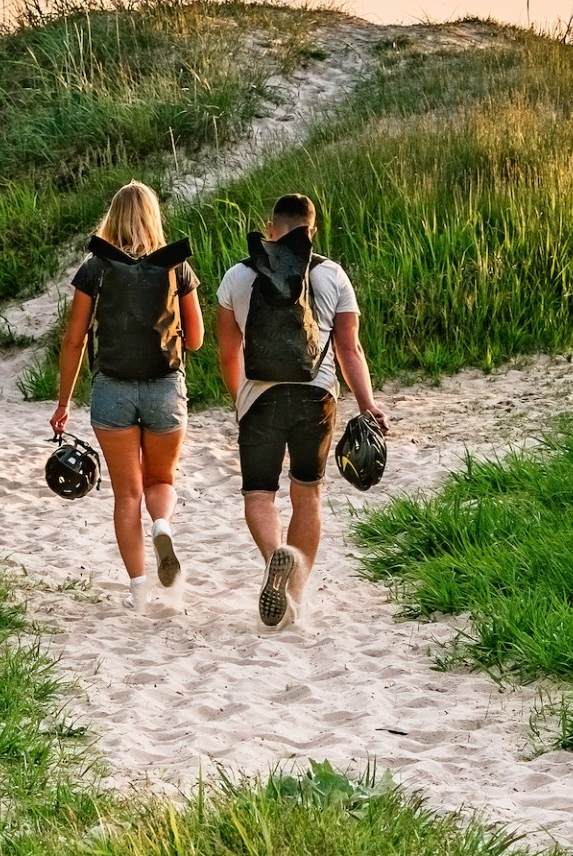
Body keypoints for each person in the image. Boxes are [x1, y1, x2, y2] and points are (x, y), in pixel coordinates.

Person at [216, 193, 387, 627]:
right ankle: (292, 593)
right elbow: (350, 349)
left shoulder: (238, 275)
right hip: (317, 395)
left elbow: (226, 350)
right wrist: (368, 405)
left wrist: (240, 397)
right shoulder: (332, 275)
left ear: (270, 229)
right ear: (313, 231)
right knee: (306, 492)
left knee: (259, 493)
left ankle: (276, 555)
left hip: (259, 397)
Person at [51, 181, 204, 611]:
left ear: (112, 218)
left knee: (126, 494)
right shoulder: (177, 267)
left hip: (112, 390)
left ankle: (138, 593)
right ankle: (162, 526)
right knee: (160, 482)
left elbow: (74, 341)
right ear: (153, 217)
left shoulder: (95, 268)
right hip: (164, 387)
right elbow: (195, 340)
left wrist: (63, 403)